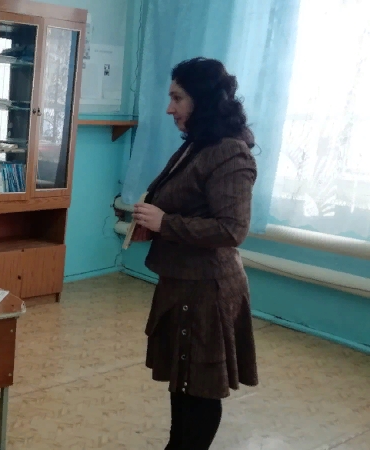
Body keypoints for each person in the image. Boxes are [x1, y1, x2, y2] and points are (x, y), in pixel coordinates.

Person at [131, 57, 259, 450]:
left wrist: (165, 223)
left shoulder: (230, 152)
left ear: (202, 100)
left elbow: (232, 230)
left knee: (200, 386)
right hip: (183, 281)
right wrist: (151, 220)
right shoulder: (198, 145)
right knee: (182, 378)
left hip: (207, 289)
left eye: (178, 98)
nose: (169, 109)